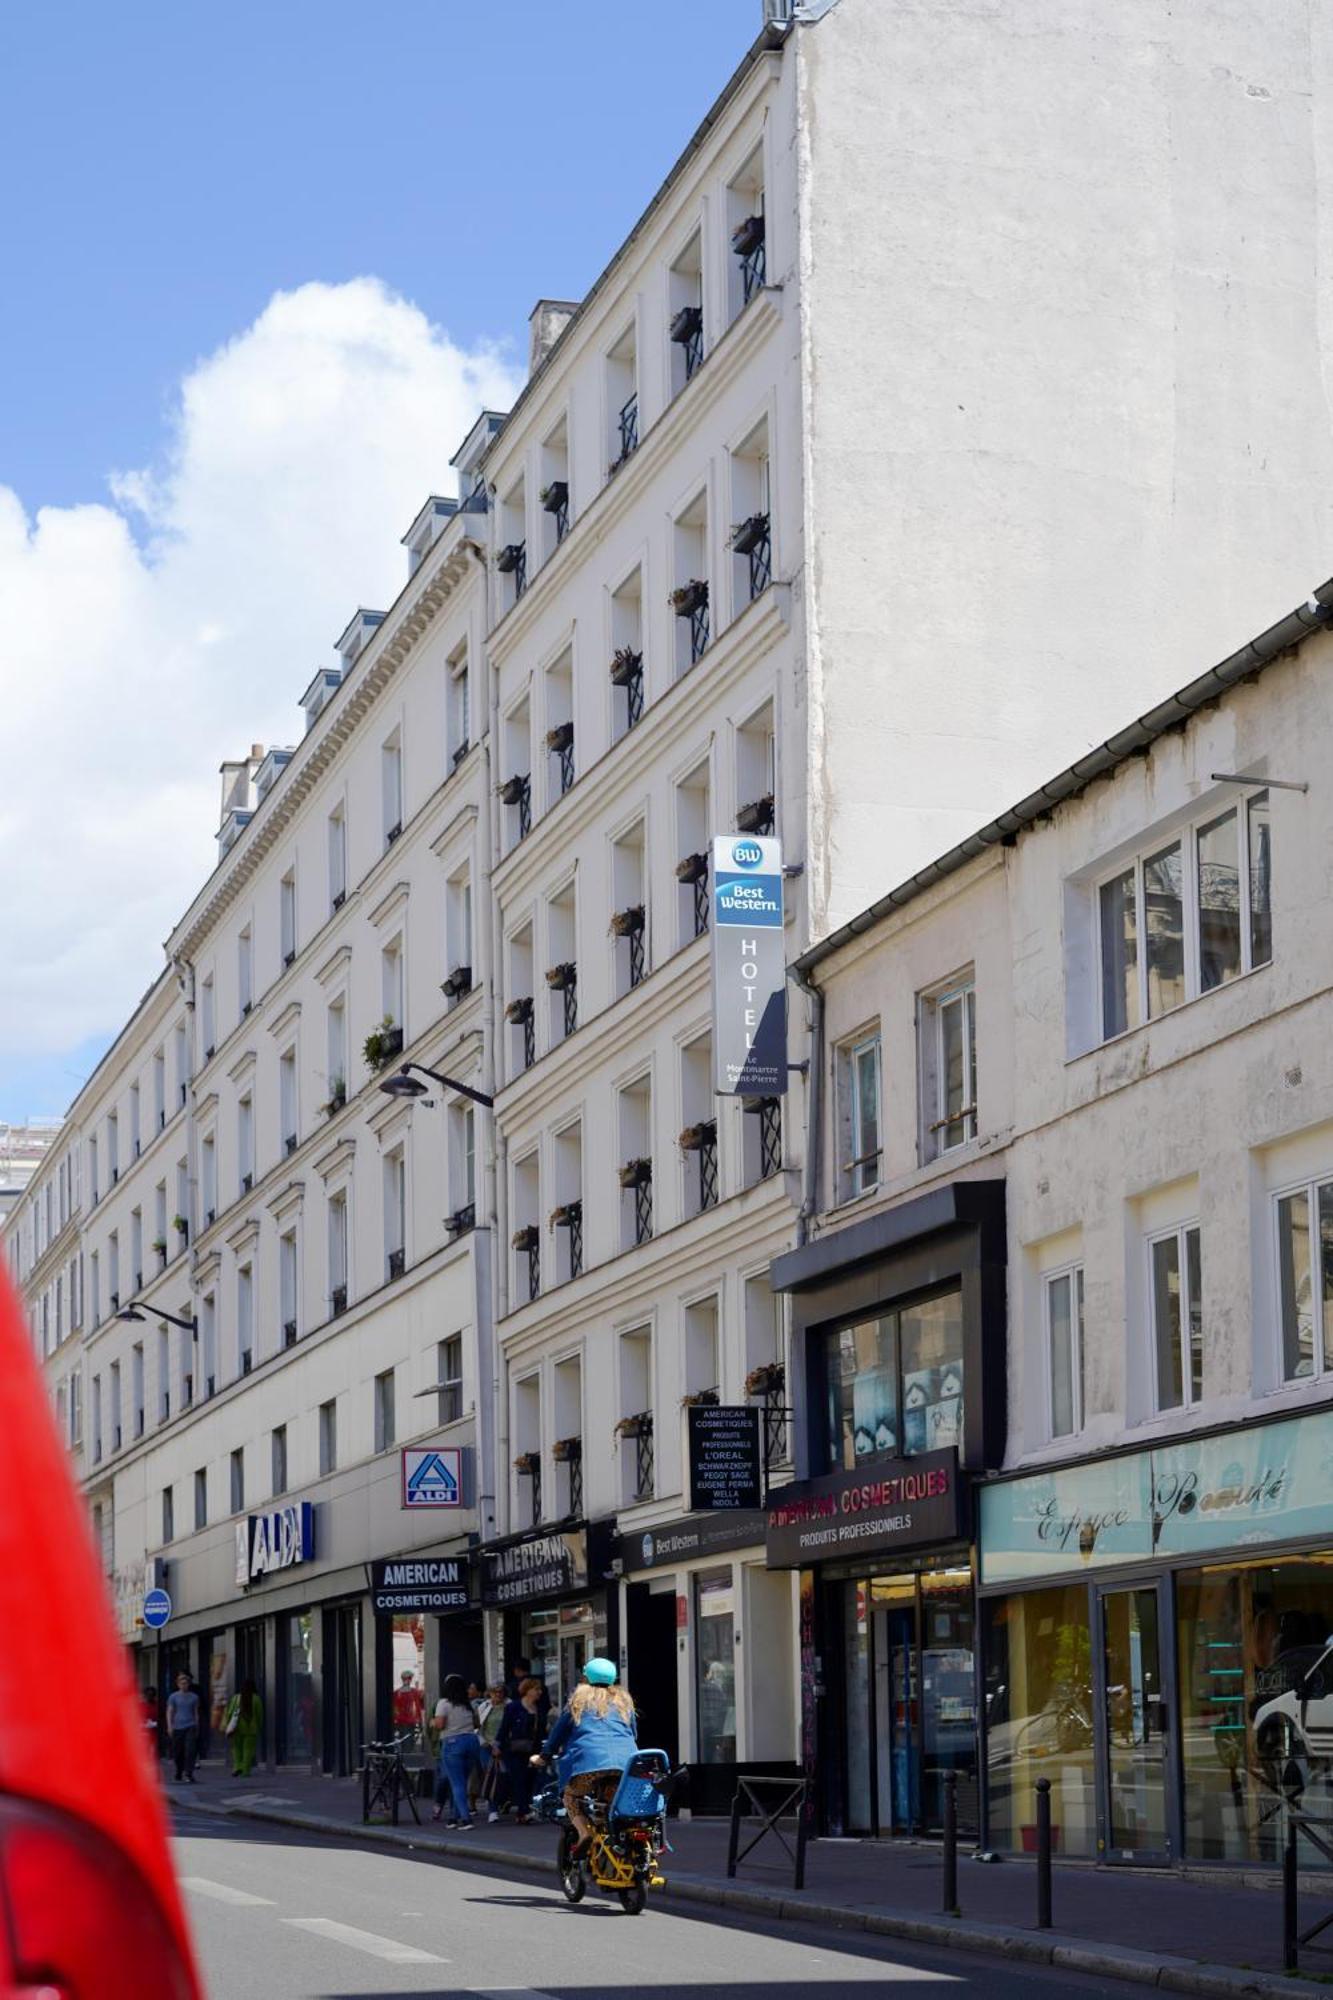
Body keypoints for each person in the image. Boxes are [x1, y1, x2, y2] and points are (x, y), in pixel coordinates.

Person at [532, 1657, 637, 1855]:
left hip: (588, 1767)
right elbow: (633, 1734)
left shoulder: (578, 1702)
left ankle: (583, 1833)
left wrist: (543, 1757)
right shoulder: (623, 1702)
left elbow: (557, 1735)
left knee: (571, 1796)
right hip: (625, 1766)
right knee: (612, 1803)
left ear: (585, 1679)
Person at [431, 1674, 481, 1828]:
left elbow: (440, 1724)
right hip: (471, 1741)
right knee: (462, 1781)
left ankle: (466, 1819)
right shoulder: (469, 1705)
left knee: (457, 1783)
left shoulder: (443, 1703)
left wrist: (432, 1722)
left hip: (453, 1742)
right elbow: (477, 1723)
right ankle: (453, 1817)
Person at [497, 1675, 545, 1824]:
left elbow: (541, 1732)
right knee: (519, 1779)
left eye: (539, 1689)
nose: (539, 1692)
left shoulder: (539, 1708)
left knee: (530, 1780)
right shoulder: (514, 1707)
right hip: (514, 1750)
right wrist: (497, 1745)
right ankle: (524, 1812)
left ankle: (521, 1811)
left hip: (533, 1750)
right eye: (536, 1689)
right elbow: (504, 1727)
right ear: (527, 1690)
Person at [477, 1681, 508, 1823]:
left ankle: (505, 1802)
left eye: (500, 1691)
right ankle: (493, 1809)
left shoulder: (509, 1706)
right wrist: (484, 1742)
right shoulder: (484, 1706)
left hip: (505, 1746)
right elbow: (477, 1727)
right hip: (487, 1746)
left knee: (505, 1775)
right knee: (490, 1776)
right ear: (489, 1693)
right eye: (495, 1692)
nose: (498, 1694)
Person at [222, 1678, 263, 1777]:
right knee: (248, 1750)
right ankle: (245, 1770)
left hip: (237, 1728)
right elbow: (259, 1715)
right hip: (251, 1729)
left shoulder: (236, 1698)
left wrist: (226, 1725)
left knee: (236, 1749)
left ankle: (237, 1767)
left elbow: (229, 1712)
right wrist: (259, 1727)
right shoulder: (256, 1699)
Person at [166, 1671, 200, 1784]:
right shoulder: (173, 1697)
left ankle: (189, 1773)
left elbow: (196, 1712)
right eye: (182, 1683)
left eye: (186, 1683)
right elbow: (170, 1711)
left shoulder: (194, 1697)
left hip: (190, 1725)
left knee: (190, 1750)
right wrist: (170, 1726)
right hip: (177, 1726)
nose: (184, 1685)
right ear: (178, 1684)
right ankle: (179, 1770)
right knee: (178, 1752)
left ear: (188, 1684)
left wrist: (196, 1725)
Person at [392, 1670, 424, 1740]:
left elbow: (395, 1709)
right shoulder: (414, 1692)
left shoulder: (397, 1693)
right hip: (407, 1722)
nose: (409, 1680)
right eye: (409, 1678)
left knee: (405, 1742)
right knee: (408, 1742)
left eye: (409, 1678)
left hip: (404, 1722)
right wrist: (420, 1721)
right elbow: (418, 1708)